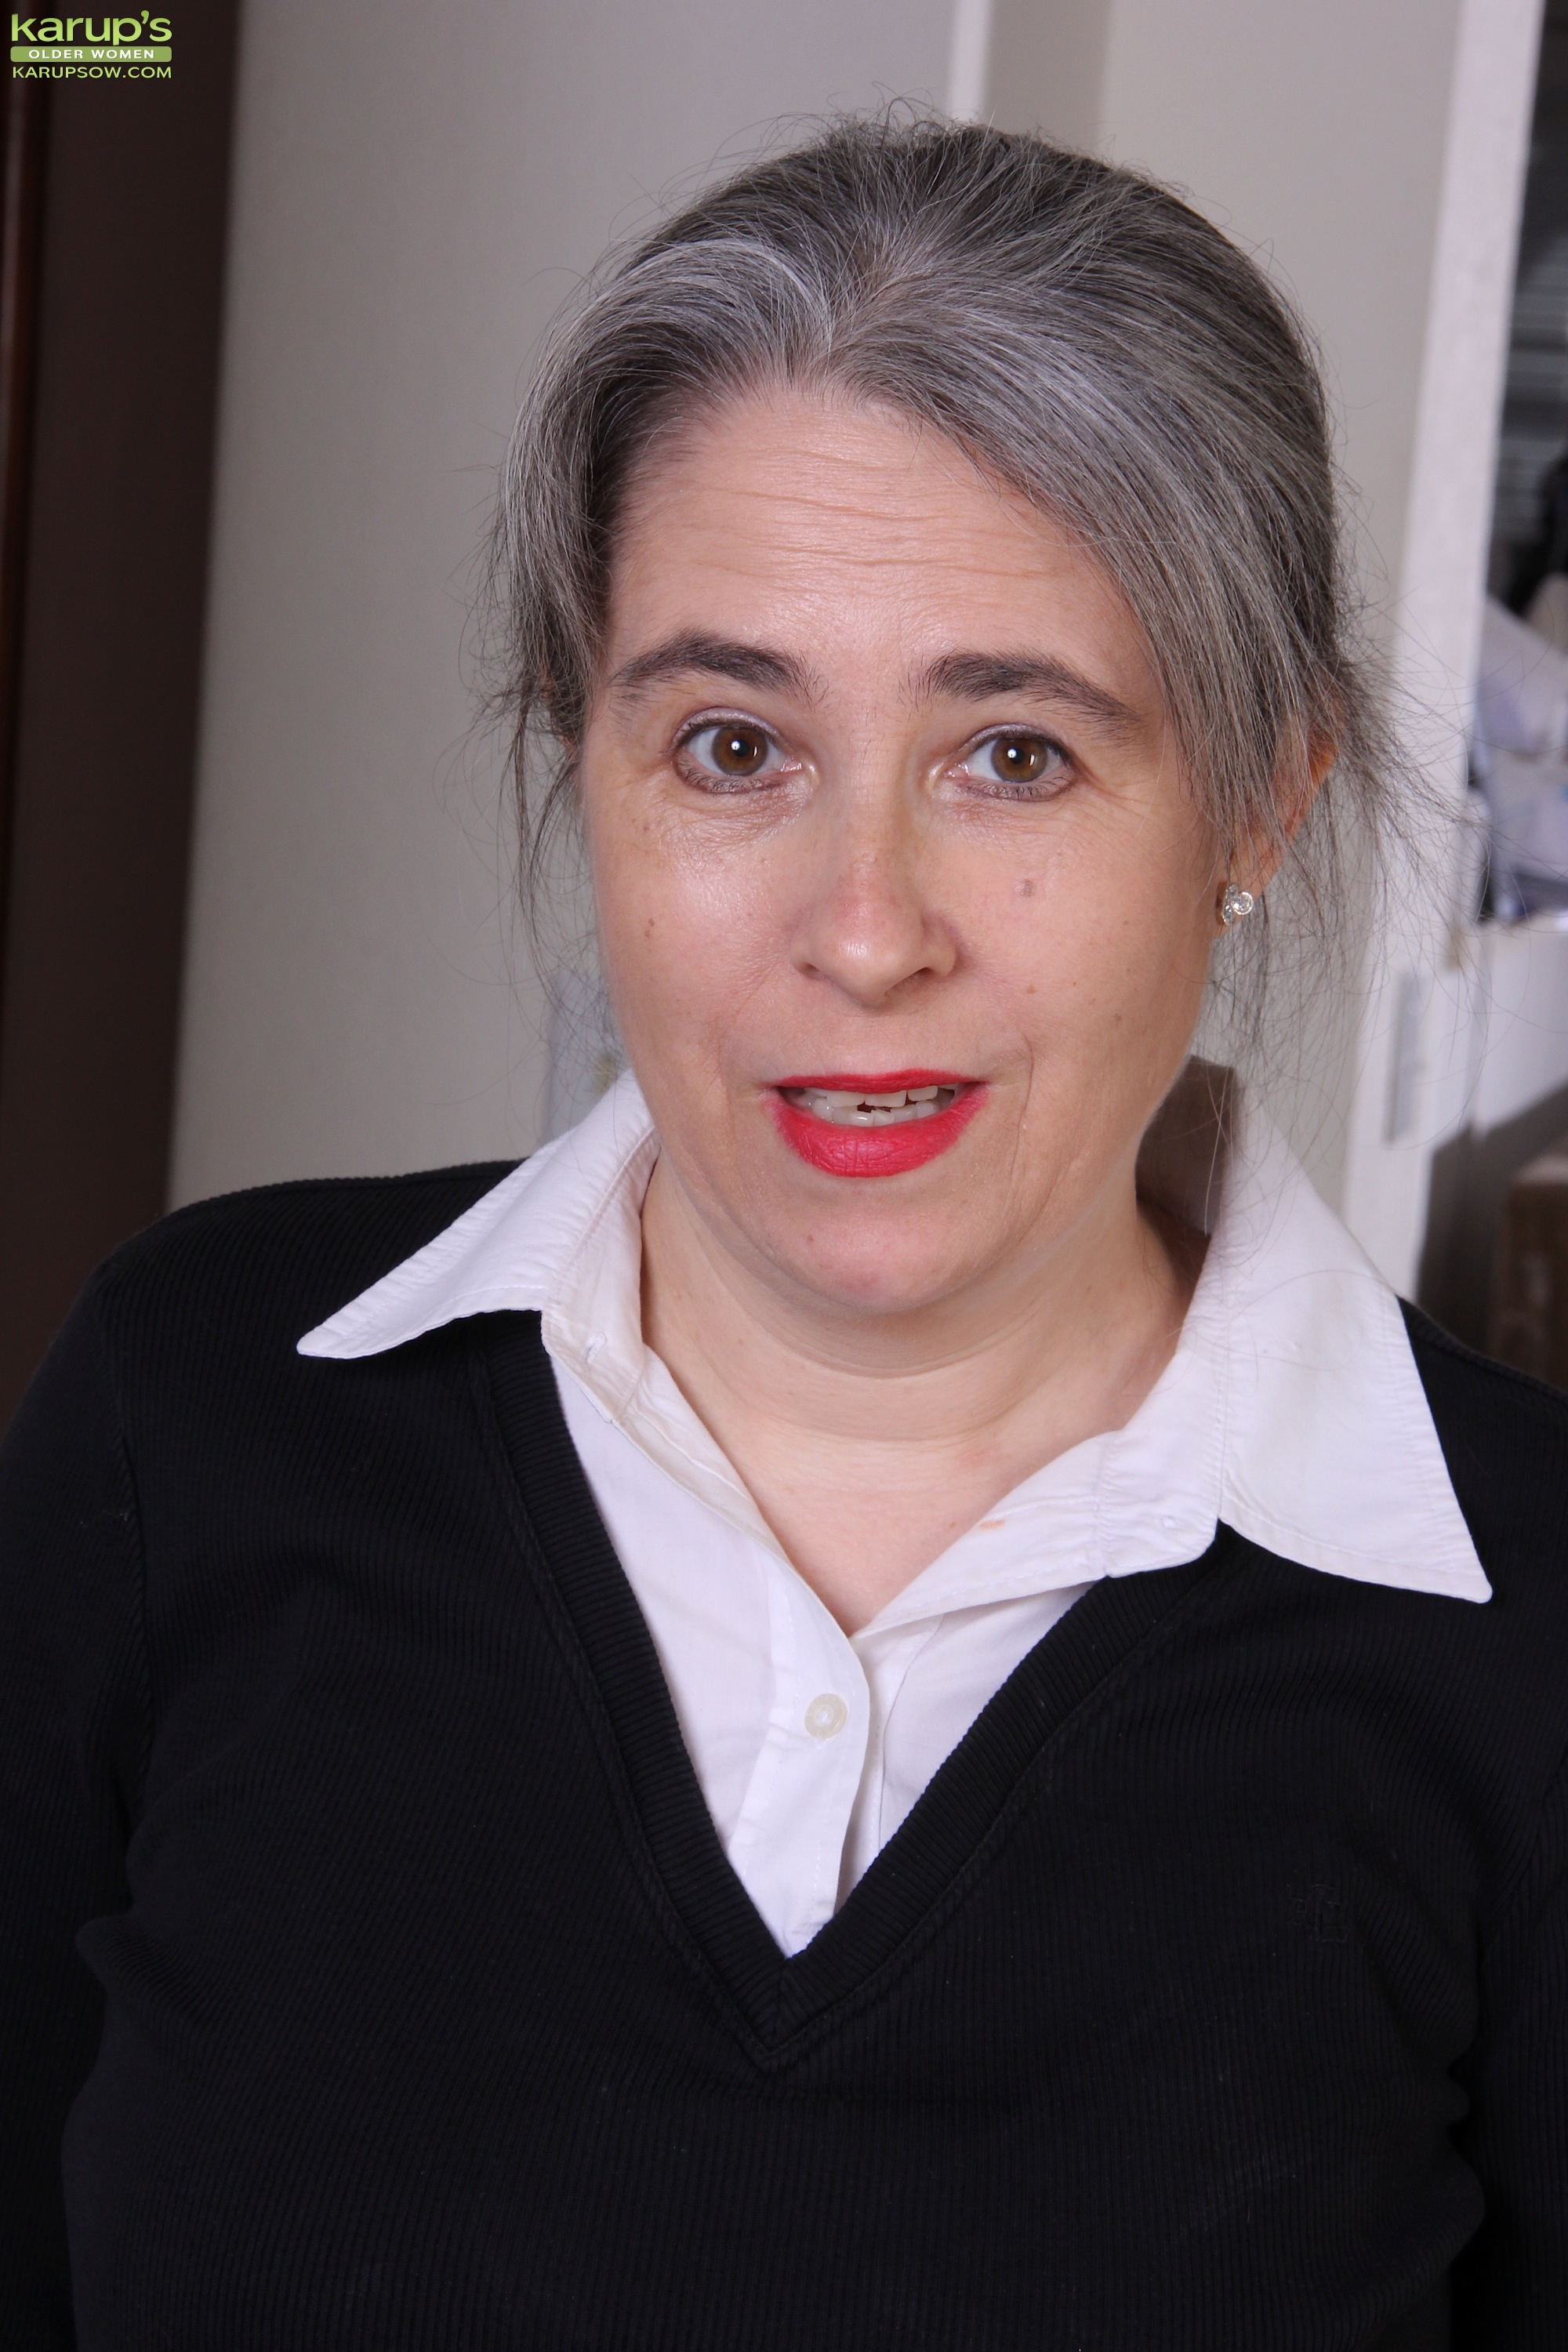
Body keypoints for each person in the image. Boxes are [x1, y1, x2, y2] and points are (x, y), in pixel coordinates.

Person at [3, 117, 1565, 2351]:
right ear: (590, 763)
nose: (862, 931)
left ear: (1261, 799)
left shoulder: (1525, 1640)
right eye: (735, 747)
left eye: (1013, 755)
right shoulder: (191, 1408)